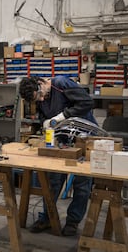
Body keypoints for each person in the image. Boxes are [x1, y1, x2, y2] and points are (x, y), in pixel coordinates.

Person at [19, 75, 97, 236]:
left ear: (41, 83)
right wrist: (45, 124)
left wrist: (63, 116)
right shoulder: (40, 99)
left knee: (81, 183)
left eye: (40, 94)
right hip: (63, 139)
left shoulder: (61, 83)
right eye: (37, 99)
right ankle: (48, 218)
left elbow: (87, 103)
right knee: (53, 180)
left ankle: (72, 222)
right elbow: (43, 115)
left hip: (84, 137)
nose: (41, 99)